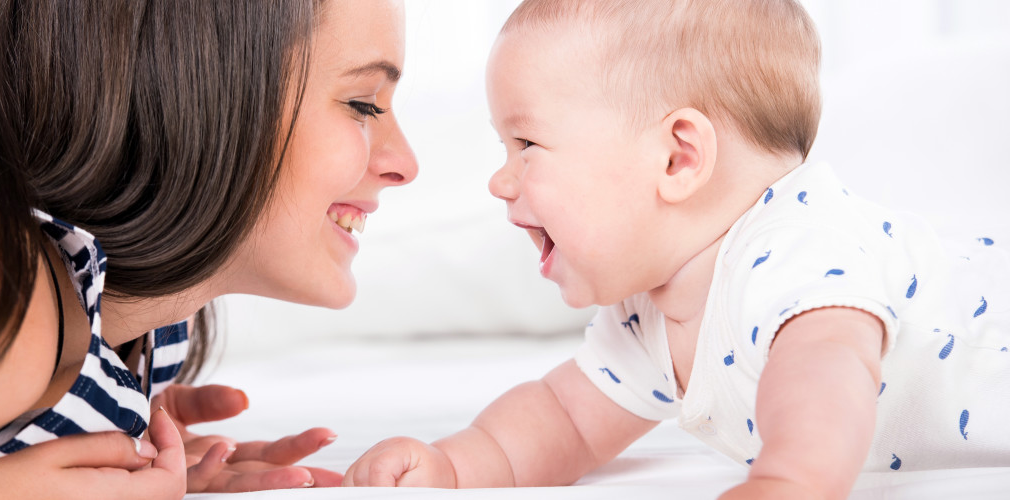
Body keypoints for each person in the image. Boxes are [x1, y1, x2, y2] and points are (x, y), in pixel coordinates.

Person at [343, 0, 1010, 497]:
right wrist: (455, 466)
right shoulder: (649, 312)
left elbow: (826, 374)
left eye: (526, 145)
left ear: (677, 158)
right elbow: (565, 419)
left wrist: (791, 480)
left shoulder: (796, 248)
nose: (500, 179)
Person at [0, 0, 416, 497]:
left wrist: (113, 432)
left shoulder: (143, 325)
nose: (405, 164)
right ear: (196, 96)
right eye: (363, 105)